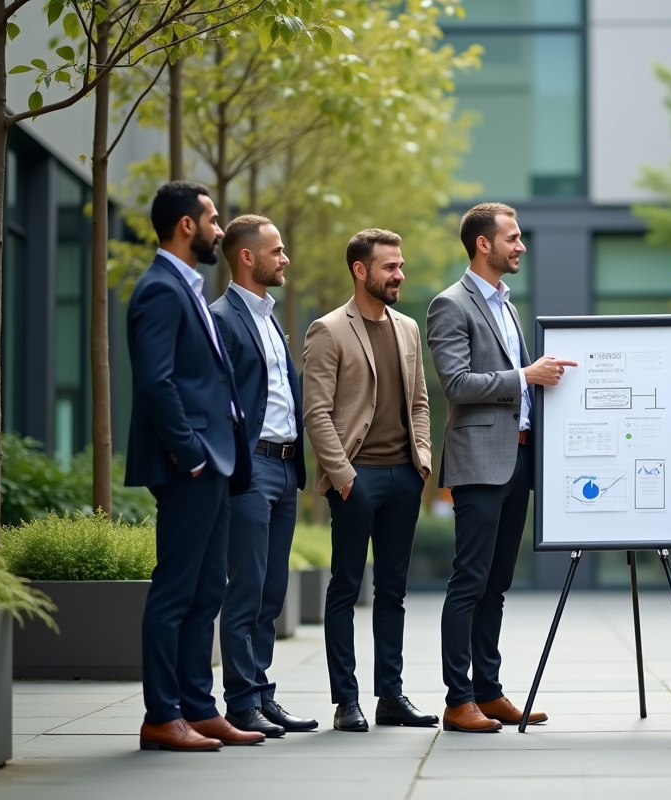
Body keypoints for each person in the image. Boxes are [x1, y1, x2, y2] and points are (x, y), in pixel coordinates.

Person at [427, 202, 577, 733]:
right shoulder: (451, 304)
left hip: (518, 459)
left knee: (497, 584)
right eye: (512, 239)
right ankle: (457, 698)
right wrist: (525, 375)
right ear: (483, 244)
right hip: (478, 463)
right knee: (469, 581)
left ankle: (488, 692)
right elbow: (457, 385)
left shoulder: (508, 306)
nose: (522, 247)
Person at [125, 181, 263, 751]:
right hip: (193, 466)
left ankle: (198, 708)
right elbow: (155, 383)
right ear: (187, 225)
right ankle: (162, 714)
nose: (218, 228)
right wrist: (192, 455)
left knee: (209, 590)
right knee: (176, 591)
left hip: (217, 462)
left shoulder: (189, 288)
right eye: (211, 219)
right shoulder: (159, 289)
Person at [303, 229, 437, 732]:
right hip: (356, 480)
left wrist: (420, 461)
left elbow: (420, 401)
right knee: (345, 588)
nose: (399, 275)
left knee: (394, 591)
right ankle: (346, 701)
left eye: (400, 266)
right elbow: (316, 413)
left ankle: (391, 696)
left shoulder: (407, 329)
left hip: (404, 478)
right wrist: (343, 477)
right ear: (361, 270)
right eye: (389, 267)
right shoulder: (329, 329)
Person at [209, 215, 318, 737]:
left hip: (285, 466)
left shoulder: (271, 318)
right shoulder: (222, 317)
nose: (285, 258)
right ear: (248, 257)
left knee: (272, 590)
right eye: (276, 250)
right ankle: (240, 702)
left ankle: (262, 694)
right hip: (251, 468)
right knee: (246, 588)